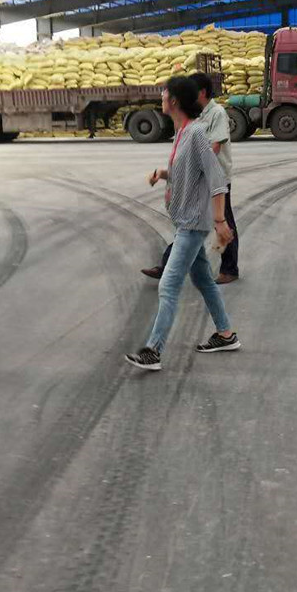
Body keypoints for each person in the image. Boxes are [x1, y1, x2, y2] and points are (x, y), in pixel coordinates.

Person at [126, 76, 238, 371]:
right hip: (185, 220)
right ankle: (226, 334)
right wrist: (163, 174)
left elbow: (216, 179)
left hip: (192, 223)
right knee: (204, 280)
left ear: (174, 101)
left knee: (168, 285)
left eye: (163, 94)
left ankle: (154, 350)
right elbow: (187, 172)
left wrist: (220, 221)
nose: (161, 98)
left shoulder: (196, 133)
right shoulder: (182, 133)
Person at [142, 70, 240, 284]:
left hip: (216, 180)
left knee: (222, 222)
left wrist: (191, 164)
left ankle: (229, 269)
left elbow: (214, 147)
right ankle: (170, 265)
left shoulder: (217, 113)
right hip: (196, 179)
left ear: (202, 92)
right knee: (190, 226)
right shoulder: (192, 117)